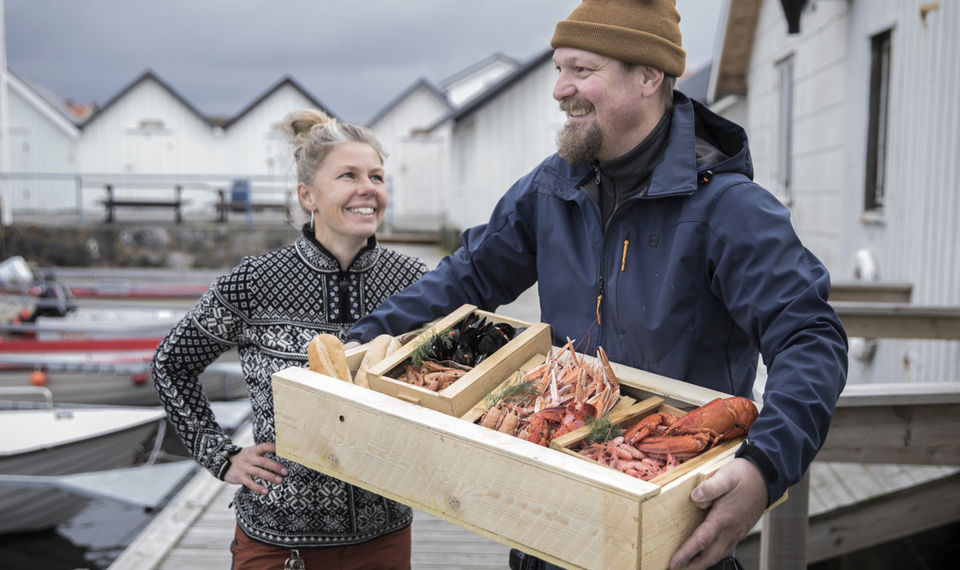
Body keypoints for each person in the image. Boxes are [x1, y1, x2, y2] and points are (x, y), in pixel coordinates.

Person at [345, 1, 848, 569]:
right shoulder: (549, 188)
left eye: (582, 70)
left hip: (670, 522)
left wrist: (763, 468)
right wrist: (356, 346)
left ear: (649, 75)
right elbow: (468, 276)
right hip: (552, 514)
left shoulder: (730, 209)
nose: (560, 89)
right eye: (559, 69)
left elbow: (809, 336)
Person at [152, 109, 429, 570]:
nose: (368, 188)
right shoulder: (255, 282)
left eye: (377, 176)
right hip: (279, 540)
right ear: (308, 196)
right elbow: (171, 364)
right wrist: (221, 456)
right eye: (349, 175)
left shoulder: (416, 283)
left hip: (384, 534)